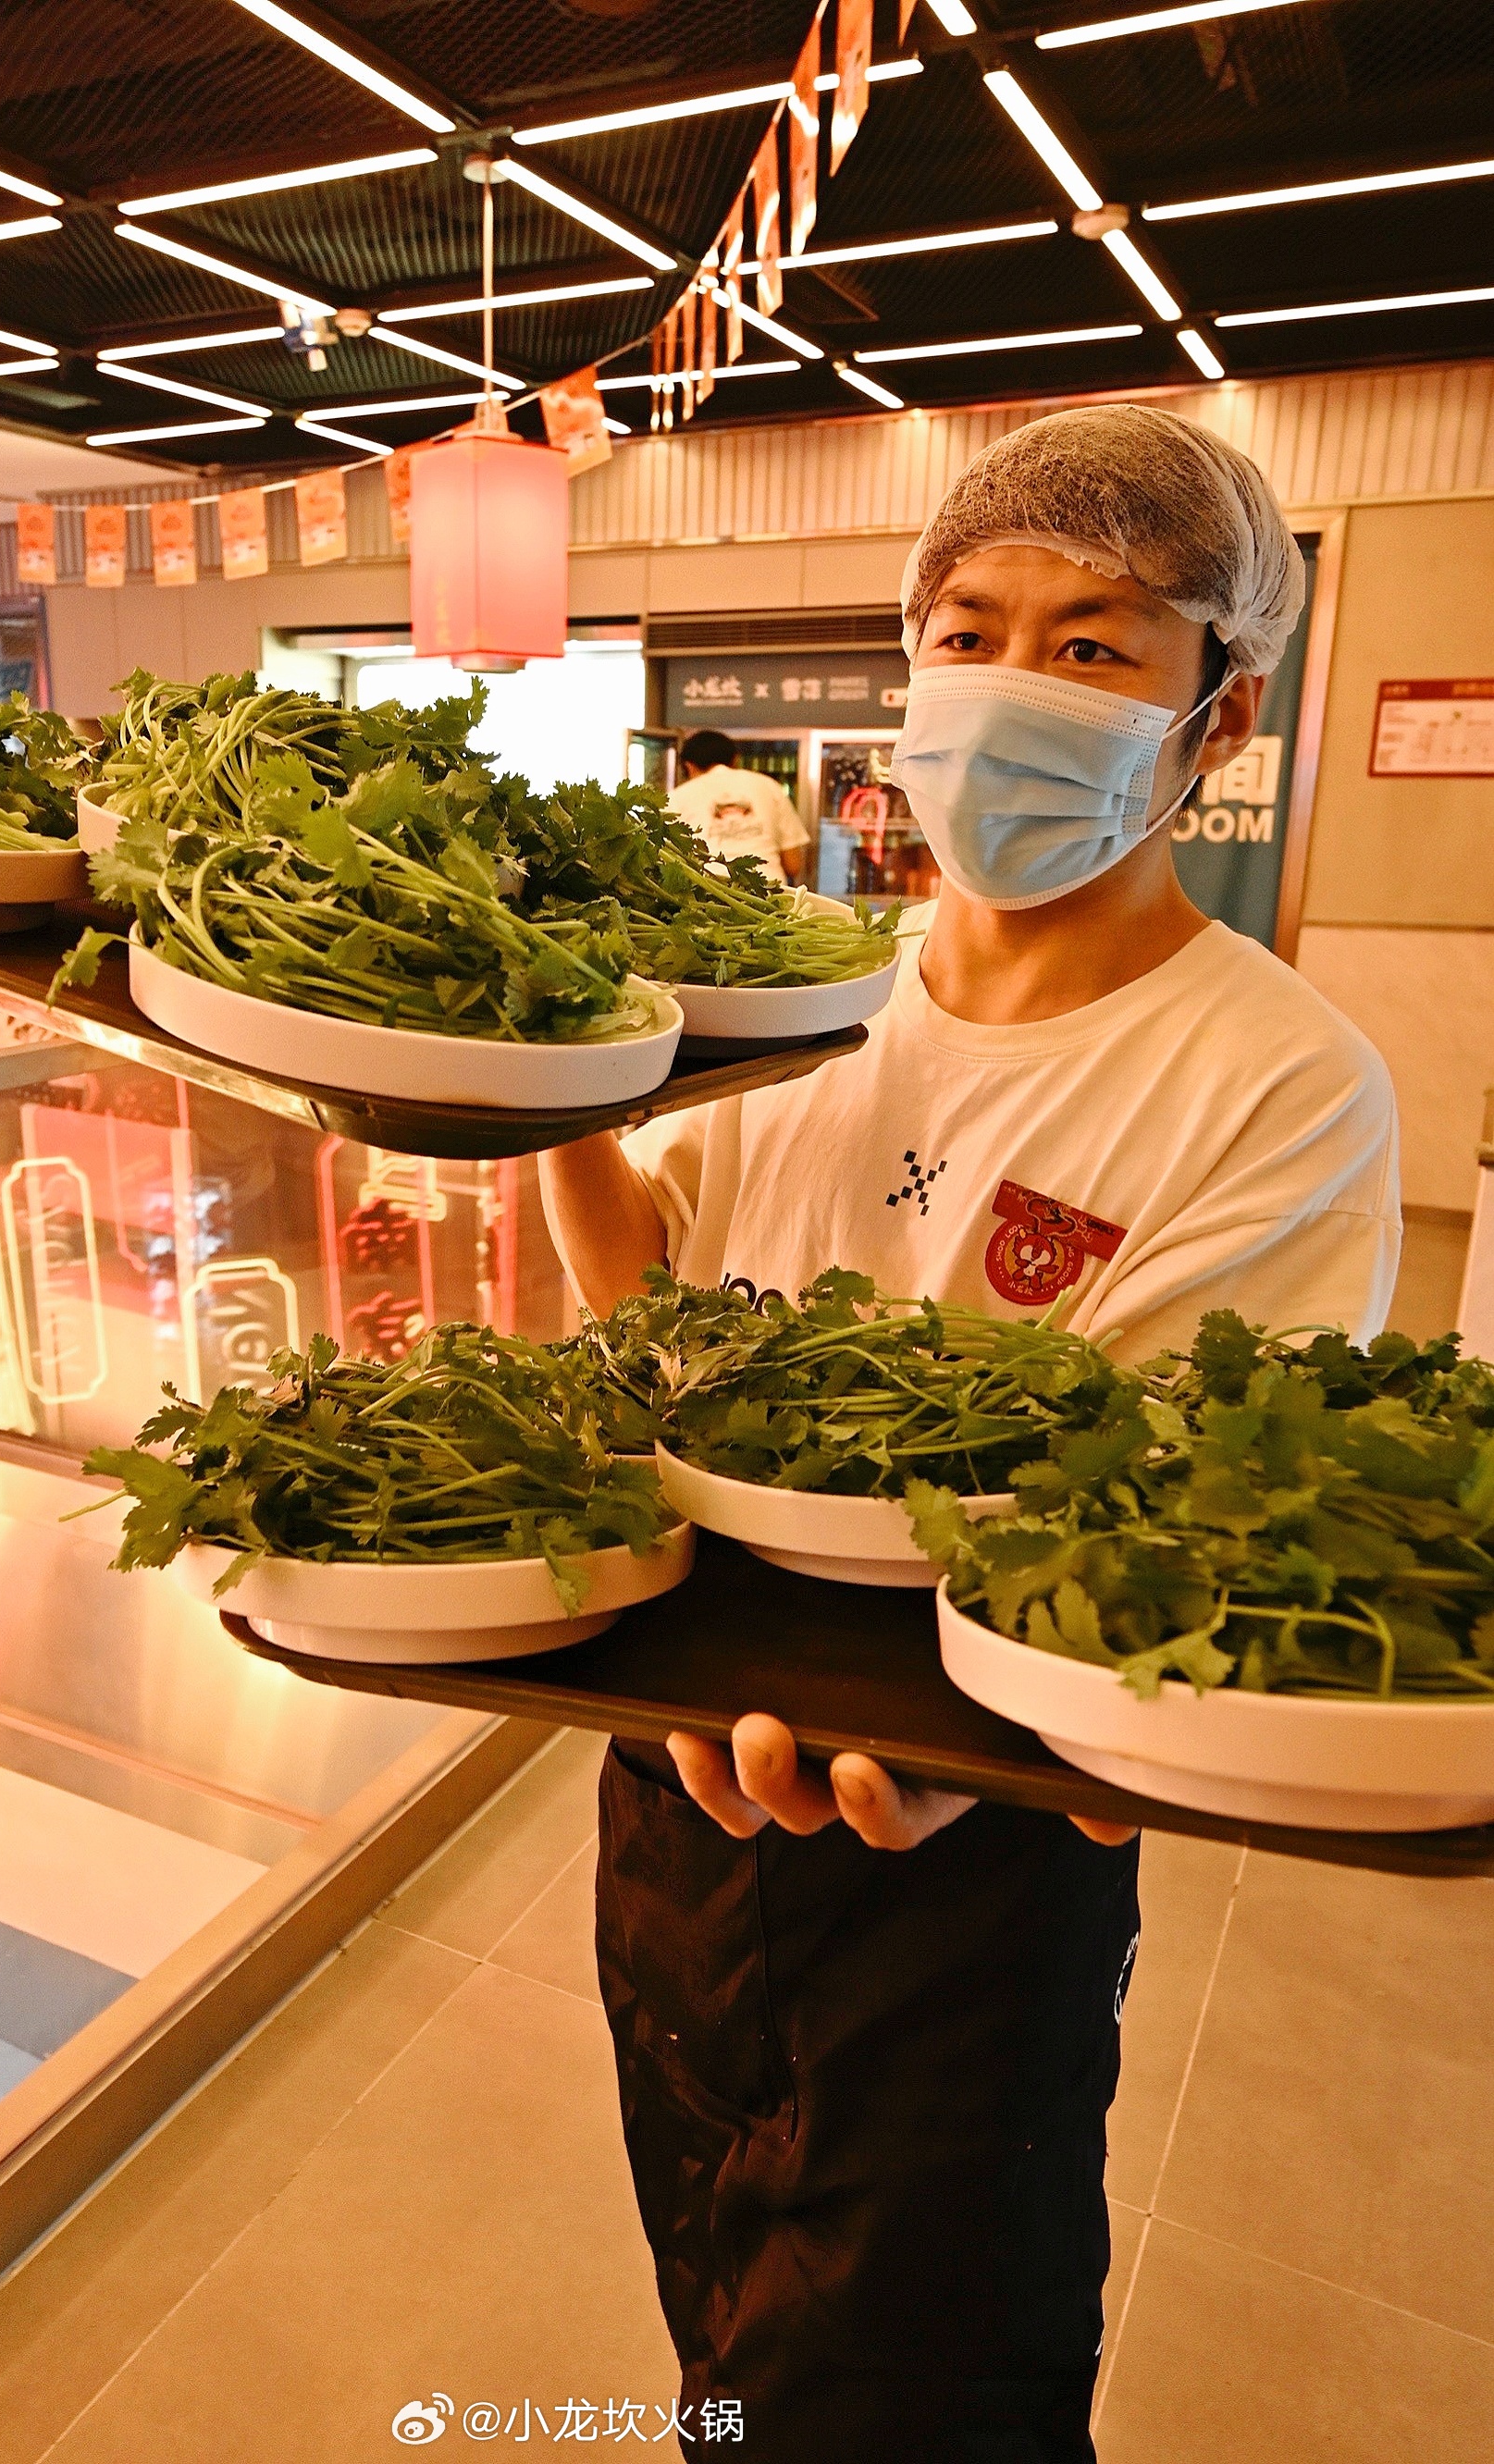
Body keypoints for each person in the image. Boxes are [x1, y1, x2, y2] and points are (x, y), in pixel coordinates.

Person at [540, 403, 1399, 2463]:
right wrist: (542, 1089)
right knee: (717, 2300)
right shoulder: (800, 992)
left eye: (1097, 646)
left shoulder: (1274, 1079)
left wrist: (972, 1760)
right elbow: (662, 1310)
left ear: (1221, 710)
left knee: (924, 2381)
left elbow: (1189, 1524)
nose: (1012, 685)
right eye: (968, 628)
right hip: (676, 1770)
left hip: (966, 1822)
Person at [668, 729, 810, 885]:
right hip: (771, 893)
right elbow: (793, 864)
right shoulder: (769, 786)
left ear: (689, 766)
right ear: (735, 760)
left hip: (707, 895)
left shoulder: (677, 797)